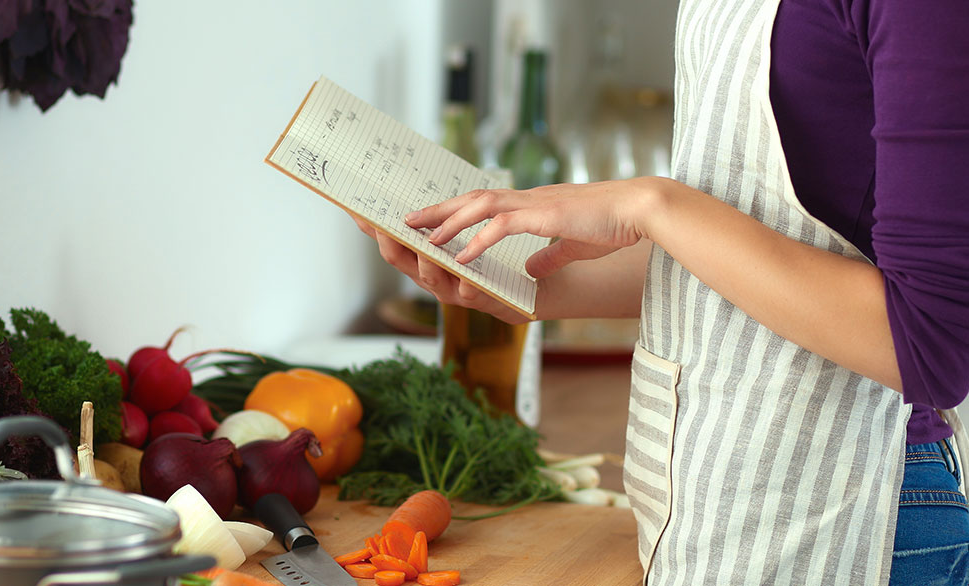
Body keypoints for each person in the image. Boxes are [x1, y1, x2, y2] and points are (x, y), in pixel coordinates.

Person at [349, 0, 969, 584]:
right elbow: (758, 233)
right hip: (706, 496)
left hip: (857, 515)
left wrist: (651, 203)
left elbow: (929, 345)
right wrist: (522, 276)